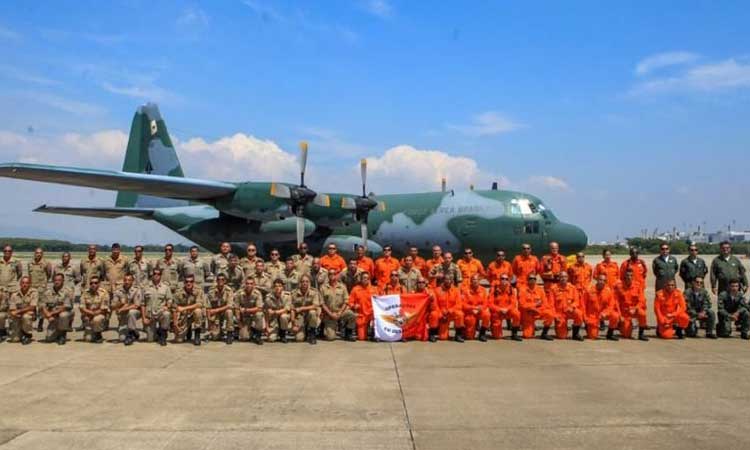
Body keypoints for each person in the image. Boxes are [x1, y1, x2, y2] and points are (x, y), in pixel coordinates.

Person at [320, 268, 356, 341]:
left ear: (337, 275)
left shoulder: (342, 287)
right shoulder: (323, 287)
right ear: (328, 276)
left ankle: (348, 333)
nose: (332, 275)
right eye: (330, 274)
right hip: (329, 314)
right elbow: (322, 303)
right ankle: (326, 327)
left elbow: (346, 301)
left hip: (340, 312)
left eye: (334, 274)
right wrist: (331, 314)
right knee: (330, 338)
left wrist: (340, 312)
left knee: (351, 315)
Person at [428, 276, 465, 342]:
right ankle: (432, 334)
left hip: (451, 313)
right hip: (441, 313)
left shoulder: (456, 290)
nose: (448, 281)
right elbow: (434, 305)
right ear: (443, 281)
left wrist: (450, 310)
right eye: (446, 279)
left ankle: (458, 335)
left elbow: (459, 305)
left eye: (449, 279)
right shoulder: (437, 290)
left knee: (460, 314)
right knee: (433, 314)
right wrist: (440, 314)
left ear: (452, 281)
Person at [584, 274, 620, 340]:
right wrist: (585, 318)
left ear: (605, 282)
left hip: (603, 314)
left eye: (604, 280)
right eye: (600, 280)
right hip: (592, 315)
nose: (602, 282)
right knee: (593, 336)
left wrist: (605, 313)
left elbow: (611, 305)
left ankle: (610, 334)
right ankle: (588, 326)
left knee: (615, 316)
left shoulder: (608, 291)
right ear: (597, 280)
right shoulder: (589, 290)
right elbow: (583, 305)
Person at [615, 269, 649, 341]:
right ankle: (620, 324)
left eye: (631, 275)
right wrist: (620, 316)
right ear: (624, 276)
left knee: (642, 314)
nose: (629, 277)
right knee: (626, 335)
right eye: (627, 275)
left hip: (634, 310)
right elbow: (616, 302)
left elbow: (641, 300)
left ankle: (641, 334)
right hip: (624, 312)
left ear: (633, 276)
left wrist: (635, 308)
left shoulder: (637, 286)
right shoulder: (619, 287)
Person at [141, 269, 173, 345]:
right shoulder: (145, 287)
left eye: (158, 274)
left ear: (160, 276)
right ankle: (156, 332)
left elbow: (169, 299)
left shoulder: (165, 287)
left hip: (160, 313)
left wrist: (167, 306)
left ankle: (163, 334)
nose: (156, 275)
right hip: (150, 315)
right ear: (152, 275)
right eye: (154, 273)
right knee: (150, 340)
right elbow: (142, 304)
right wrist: (144, 318)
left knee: (167, 314)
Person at [172, 274, 205, 346]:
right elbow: (174, 308)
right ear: (184, 282)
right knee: (178, 340)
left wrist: (184, 308)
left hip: (194, 314)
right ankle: (188, 330)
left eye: (191, 281)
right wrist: (175, 324)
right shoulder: (178, 292)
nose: (188, 283)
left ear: (193, 282)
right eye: (187, 282)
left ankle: (197, 334)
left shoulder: (199, 290)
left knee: (198, 311)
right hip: (184, 316)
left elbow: (199, 304)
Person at [519, 274, 555, 340]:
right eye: (530, 278)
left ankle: (544, 333)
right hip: (528, 313)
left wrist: (536, 309)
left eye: (534, 279)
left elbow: (544, 303)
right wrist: (534, 305)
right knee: (527, 336)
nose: (532, 280)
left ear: (536, 280)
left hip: (538, 312)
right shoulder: (522, 289)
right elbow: (522, 304)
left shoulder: (540, 290)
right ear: (527, 280)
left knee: (550, 314)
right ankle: (530, 327)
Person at [40, 273, 73, 345]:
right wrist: (47, 315)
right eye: (55, 280)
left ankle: (62, 335)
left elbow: (66, 307)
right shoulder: (48, 292)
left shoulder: (68, 291)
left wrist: (51, 313)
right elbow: (43, 306)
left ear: (63, 281)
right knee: (49, 339)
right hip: (53, 317)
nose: (57, 282)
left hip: (65, 314)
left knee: (63, 315)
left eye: (59, 280)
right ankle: (57, 330)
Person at [551, 271, 584, 340]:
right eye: (561, 277)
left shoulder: (572, 288)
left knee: (579, 314)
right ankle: (559, 327)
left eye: (565, 277)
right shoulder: (553, 288)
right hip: (559, 314)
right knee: (562, 337)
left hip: (569, 311)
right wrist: (555, 315)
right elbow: (551, 304)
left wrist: (572, 307)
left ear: (567, 278)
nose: (563, 278)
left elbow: (576, 301)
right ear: (559, 278)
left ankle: (575, 334)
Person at [488, 274, 522, 341]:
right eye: (502, 278)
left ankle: (514, 333)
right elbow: (490, 303)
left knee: (517, 313)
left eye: (506, 279)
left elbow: (513, 303)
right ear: (499, 280)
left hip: (507, 311)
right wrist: (499, 309)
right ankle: (493, 327)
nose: (504, 280)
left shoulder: (511, 289)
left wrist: (507, 309)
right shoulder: (494, 289)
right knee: (497, 337)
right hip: (497, 312)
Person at [112, 273, 142, 345]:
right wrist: (120, 304)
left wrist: (123, 308)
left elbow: (136, 305)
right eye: (125, 280)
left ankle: (130, 334)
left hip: (135, 313)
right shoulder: (118, 291)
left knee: (131, 312)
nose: (127, 282)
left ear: (132, 281)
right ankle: (135, 332)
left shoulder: (136, 290)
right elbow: (113, 305)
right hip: (123, 316)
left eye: (129, 280)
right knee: (122, 338)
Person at [290, 274, 321, 344]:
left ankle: (312, 333)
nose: (305, 283)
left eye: (307, 281)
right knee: (299, 339)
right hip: (300, 317)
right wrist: (293, 323)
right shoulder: (294, 293)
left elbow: (315, 305)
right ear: (300, 283)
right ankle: (305, 331)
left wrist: (302, 308)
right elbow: (292, 308)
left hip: (310, 316)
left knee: (312, 312)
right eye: (303, 281)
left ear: (309, 283)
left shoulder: (314, 292)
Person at [348, 272, 379, 341]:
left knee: (376, 321)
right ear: (361, 279)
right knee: (361, 338)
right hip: (361, 315)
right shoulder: (355, 289)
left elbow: (380, 302)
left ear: (369, 279)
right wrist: (354, 306)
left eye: (367, 278)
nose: (366, 279)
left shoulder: (374, 289)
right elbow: (350, 302)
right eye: (364, 278)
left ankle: (373, 333)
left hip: (371, 315)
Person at [7, 276, 38, 344]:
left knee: (26, 316)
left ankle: (27, 335)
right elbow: (12, 309)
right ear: (20, 284)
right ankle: (20, 331)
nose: (25, 284)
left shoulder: (34, 292)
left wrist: (18, 311)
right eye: (23, 283)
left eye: (27, 283)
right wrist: (16, 313)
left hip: (27, 316)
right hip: (17, 317)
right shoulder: (14, 294)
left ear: (30, 284)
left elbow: (32, 307)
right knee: (15, 340)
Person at [205, 273, 234, 344]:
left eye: (222, 279)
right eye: (218, 279)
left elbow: (229, 305)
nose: (220, 281)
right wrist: (209, 324)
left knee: (229, 311)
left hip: (224, 312)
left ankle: (229, 333)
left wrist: (217, 310)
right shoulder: (211, 291)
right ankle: (219, 331)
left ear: (225, 281)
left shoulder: (229, 290)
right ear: (216, 281)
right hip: (215, 315)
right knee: (215, 337)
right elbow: (208, 307)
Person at [28, 247, 52, 332]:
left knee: (41, 306)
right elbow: (29, 275)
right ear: (34, 253)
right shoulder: (30, 263)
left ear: (42, 254)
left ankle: (40, 324)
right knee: (32, 306)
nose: (38, 254)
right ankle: (30, 323)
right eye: (37, 253)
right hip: (32, 288)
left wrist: (44, 284)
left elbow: (49, 274)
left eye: (40, 253)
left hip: (41, 288)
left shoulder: (46, 263)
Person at [234, 277, 264, 345]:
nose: (249, 285)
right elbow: (236, 308)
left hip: (254, 316)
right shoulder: (239, 293)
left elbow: (259, 308)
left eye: (251, 283)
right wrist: (239, 323)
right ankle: (250, 330)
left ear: (254, 285)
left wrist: (246, 310)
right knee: (244, 338)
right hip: (244, 317)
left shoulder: (257, 293)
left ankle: (258, 336)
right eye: (247, 283)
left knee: (259, 314)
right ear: (244, 284)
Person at [79, 276, 110, 344]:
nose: (93, 284)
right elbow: (81, 307)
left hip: (99, 316)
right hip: (88, 317)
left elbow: (104, 309)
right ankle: (92, 331)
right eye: (91, 283)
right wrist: (90, 313)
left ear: (99, 284)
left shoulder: (104, 293)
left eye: (96, 283)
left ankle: (98, 334)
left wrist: (92, 314)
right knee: (88, 339)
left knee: (97, 319)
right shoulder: (85, 292)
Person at [461, 274, 490, 341]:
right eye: (473, 279)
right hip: (470, 312)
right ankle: (465, 330)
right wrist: (473, 308)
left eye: (476, 279)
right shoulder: (466, 290)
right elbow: (463, 304)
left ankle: (482, 334)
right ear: (471, 281)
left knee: (487, 314)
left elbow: (486, 303)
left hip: (480, 311)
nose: (475, 281)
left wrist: (480, 308)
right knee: (469, 337)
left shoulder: (483, 290)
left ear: (479, 281)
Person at [264, 279, 292, 343]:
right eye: (276, 286)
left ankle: (283, 334)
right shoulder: (268, 297)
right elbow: (267, 313)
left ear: (283, 287)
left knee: (283, 316)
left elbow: (286, 309)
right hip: (274, 320)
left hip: (285, 319)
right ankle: (276, 332)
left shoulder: (287, 296)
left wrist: (275, 312)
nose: (277, 288)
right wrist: (267, 327)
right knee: (271, 339)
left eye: (279, 286)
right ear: (273, 287)